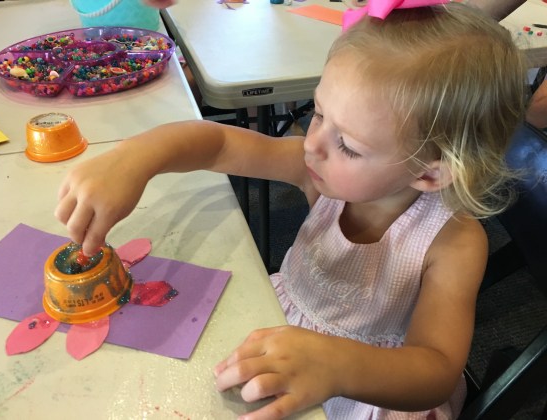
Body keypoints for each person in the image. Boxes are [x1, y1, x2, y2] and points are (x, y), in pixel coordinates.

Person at [55, 2, 527, 419]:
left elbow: (436, 369)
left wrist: (339, 366)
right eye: (318, 113)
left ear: (429, 173)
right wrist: (135, 158)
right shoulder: (321, 172)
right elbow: (218, 144)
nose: (312, 145)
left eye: (348, 145)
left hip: (366, 390)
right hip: (280, 332)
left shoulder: (453, 242)